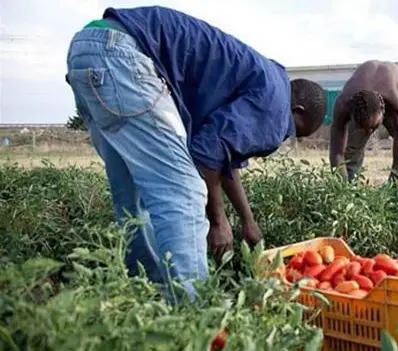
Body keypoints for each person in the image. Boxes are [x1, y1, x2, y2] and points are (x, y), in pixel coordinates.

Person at [65, 6, 327, 302]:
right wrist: (218, 221)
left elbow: (223, 156)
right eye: (292, 131)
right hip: (125, 56)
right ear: (297, 111)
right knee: (185, 193)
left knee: (133, 195)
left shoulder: (266, 82)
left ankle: (145, 298)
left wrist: (247, 220)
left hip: (89, 47)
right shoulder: (277, 109)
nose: (282, 137)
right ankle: (196, 319)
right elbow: (208, 153)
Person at [329, 60, 398, 183]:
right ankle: (350, 191)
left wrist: (394, 186)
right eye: (364, 127)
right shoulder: (344, 105)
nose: (370, 132)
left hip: (396, 86)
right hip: (362, 98)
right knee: (350, 156)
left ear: (383, 109)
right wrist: (340, 187)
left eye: (372, 127)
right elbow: (337, 154)